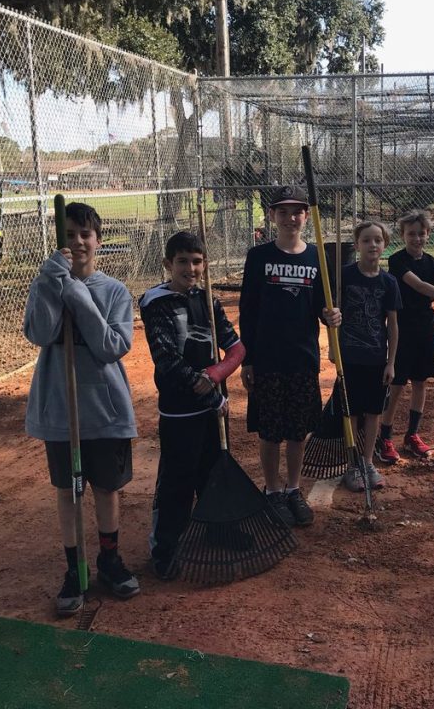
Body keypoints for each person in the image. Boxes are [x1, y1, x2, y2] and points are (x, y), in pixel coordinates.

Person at [23, 201, 140, 617]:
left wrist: (75, 291)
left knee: (106, 488)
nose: (77, 242)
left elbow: (111, 346)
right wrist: (51, 286)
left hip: (104, 410)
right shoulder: (46, 283)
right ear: (59, 241)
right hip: (61, 409)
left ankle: (109, 559)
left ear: (98, 241)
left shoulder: (114, 292)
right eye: (69, 235)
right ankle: (75, 568)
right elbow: (39, 332)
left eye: (84, 235)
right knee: (68, 490)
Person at [138, 230, 246, 580]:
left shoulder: (209, 301)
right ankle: (165, 547)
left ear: (205, 264)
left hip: (212, 407)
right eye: (182, 261)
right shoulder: (155, 303)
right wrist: (210, 389)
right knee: (177, 483)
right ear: (168, 264)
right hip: (179, 410)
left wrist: (216, 376)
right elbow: (167, 360)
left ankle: (218, 528)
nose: (191, 268)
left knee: (213, 474)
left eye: (197, 261)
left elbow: (237, 349)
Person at [239, 184, 341, 528]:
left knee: (297, 431)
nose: (290, 217)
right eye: (282, 211)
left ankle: (294, 489)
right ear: (272, 216)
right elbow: (248, 310)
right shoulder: (258, 257)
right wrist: (248, 358)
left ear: (305, 215)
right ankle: (272, 490)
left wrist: (331, 316)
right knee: (270, 431)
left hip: (302, 357)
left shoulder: (317, 258)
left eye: (297, 211)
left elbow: (321, 308)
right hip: (267, 358)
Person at [377, 210, 434, 462]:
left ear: (428, 234)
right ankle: (384, 436)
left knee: (420, 382)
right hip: (402, 329)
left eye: (421, 233)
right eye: (411, 234)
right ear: (403, 236)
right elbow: (418, 285)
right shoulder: (398, 261)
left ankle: (412, 435)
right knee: (396, 384)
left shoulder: (433, 263)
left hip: (425, 329)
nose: (416, 238)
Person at [338, 220, 401, 492]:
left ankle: (367, 461)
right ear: (357, 246)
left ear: (385, 245)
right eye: (366, 240)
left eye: (377, 240)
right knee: (351, 412)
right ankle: (352, 465)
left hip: (377, 358)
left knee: (374, 411)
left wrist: (391, 362)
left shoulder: (389, 282)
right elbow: (332, 313)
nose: (372, 245)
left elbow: (393, 325)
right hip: (350, 358)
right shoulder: (345, 276)